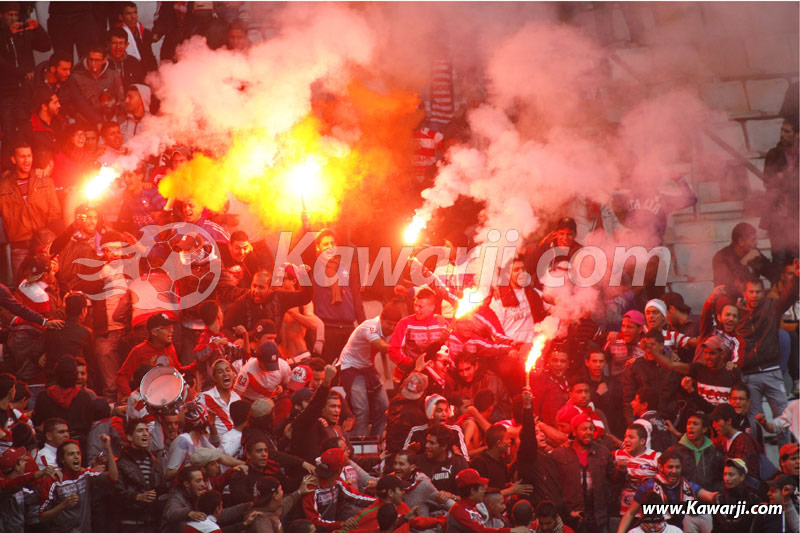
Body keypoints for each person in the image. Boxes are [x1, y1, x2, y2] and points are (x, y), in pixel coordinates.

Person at [738, 272, 798, 424]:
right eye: (751, 291)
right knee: (753, 419)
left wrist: (796, 277)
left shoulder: (771, 308)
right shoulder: (737, 315)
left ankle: (787, 448)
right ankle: (756, 448)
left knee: (783, 418)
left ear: (763, 293)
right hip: (748, 374)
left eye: (758, 292)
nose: (755, 295)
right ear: (745, 293)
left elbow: (788, 298)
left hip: (771, 371)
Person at [337, 300, 402, 437]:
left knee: (385, 407)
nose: (392, 328)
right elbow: (377, 343)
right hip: (351, 368)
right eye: (389, 324)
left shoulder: (391, 330)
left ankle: (375, 441)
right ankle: (361, 446)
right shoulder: (370, 326)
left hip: (367, 368)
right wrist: (395, 350)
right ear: (381, 319)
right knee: (362, 410)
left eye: (395, 325)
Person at [0, 141, 61, 279]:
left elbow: (55, 212)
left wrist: (47, 238)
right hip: (19, 245)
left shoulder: (44, 181)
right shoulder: (3, 186)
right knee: (23, 289)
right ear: (13, 159)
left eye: (29, 156)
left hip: (43, 246)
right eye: (22, 157)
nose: (27, 160)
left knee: (47, 285)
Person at [617, 449, 716, 533]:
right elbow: (630, 513)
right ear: (661, 467)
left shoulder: (687, 486)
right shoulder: (649, 486)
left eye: (677, 467)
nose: (674, 471)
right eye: (670, 467)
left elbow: (709, 496)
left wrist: (721, 497)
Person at [38, 435, 119, 532]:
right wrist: (63, 505)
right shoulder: (52, 481)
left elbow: (113, 478)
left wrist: (108, 448)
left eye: (78, 453)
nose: (76, 457)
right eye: (71, 454)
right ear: (62, 459)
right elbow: (42, 517)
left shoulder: (86, 474)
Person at [549, 413, 615, 532]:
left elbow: (613, 482)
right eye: (584, 429)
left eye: (591, 429)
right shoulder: (559, 454)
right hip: (571, 517)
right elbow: (554, 488)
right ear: (574, 432)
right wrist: (567, 511)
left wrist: (621, 471)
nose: (589, 432)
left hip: (599, 517)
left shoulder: (603, 452)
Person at [310, 229, 366, 364]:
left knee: (348, 372)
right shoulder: (313, 268)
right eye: (325, 244)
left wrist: (365, 329)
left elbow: (357, 300)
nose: (330, 247)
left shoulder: (348, 267)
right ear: (317, 247)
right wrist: (307, 225)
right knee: (328, 372)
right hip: (326, 330)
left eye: (332, 243)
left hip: (348, 329)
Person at [650, 335, 742, 413]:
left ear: (722, 354)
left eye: (712, 353)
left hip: (723, 424)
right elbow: (670, 365)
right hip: (701, 424)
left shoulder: (732, 372)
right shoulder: (699, 369)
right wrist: (651, 350)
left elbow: (741, 400)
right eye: (705, 353)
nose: (708, 357)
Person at [116, 312, 193, 398]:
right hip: (149, 398)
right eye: (167, 328)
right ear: (154, 332)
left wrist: (195, 365)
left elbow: (177, 369)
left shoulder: (170, 347)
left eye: (172, 327)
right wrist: (130, 397)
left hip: (170, 395)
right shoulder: (139, 351)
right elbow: (121, 377)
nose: (172, 331)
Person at [223, 269, 313, 341]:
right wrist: (236, 341)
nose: (256, 291)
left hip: (273, 350)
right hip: (249, 352)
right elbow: (225, 328)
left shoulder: (280, 297)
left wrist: (305, 276)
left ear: (270, 288)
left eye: (261, 287)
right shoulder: (241, 302)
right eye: (254, 286)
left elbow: (305, 297)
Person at [336, 474, 445, 532]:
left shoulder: (401, 506)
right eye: (400, 489)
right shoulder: (369, 514)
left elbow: (416, 522)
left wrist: (440, 521)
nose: (403, 492)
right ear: (391, 493)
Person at [301, 447, 376, 531]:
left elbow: (355, 496)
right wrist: (340, 524)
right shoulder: (311, 487)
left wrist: (378, 501)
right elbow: (314, 521)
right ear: (340, 470)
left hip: (332, 527)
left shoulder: (337, 482)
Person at [760, 118, 799, 271]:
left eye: (787, 131)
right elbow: (767, 181)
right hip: (777, 218)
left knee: (796, 262)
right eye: (781, 130)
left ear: (798, 135)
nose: (782, 134)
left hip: (796, 219)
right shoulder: (774, 154)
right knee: (779, 261)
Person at [115, 417, 167, 533]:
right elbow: (116, 493)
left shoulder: (154, 462)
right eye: (140, 431)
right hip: (131, 524)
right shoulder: (121, 463)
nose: (145, 434)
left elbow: (162, 489)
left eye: (147, 430)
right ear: (129, 437)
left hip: (152, 523)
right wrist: (137, 497)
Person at [388, 288, 450, 384]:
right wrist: (413, 364)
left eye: (420, 307)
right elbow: (393, 351)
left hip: (433, 379)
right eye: (415, 305)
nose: (416, 309)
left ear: (432, 307)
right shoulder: (405, 323)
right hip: (408, 377)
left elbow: (448, 352)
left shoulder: (443, 324)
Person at [32, 357, 95, 448]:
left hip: (51, 446)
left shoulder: (43, 397)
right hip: (78, 448)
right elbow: (88, 425)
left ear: (56, 374)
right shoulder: (85, 398)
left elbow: (37, 423)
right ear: (75, 375)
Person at [444, 468, 529, 533]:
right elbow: (481, 531)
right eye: (482, 488)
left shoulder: (472, 509)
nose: (484, 491)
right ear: (473, 490)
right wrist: (511, 531)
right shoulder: (458, 510)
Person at [65, 41, 125, 124]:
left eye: (97, 60)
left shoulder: (113, 76)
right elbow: (69, 102)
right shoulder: (76, 76)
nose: (93, 64)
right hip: (84, 122)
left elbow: (121, 101)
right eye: (91, 59)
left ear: (104, 60)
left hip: (109, 122)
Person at [668, 412, 724, 492]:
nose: (691, 427)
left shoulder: (714, 453)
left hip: (707, 500)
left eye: (695, 424)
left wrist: (712, 493)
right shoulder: (674, 451)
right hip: (682, 499)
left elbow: (721, 479)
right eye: (689, 424)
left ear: (704, 429)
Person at [613, 423, 660, 519]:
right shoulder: (617, 455)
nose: (626, 440)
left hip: (647, 513)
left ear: (642, 441)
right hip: (623, 511)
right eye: (625, 437)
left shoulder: (656, 457)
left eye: (631, 437)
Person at [392, 449, 456, 519]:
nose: (396, 467)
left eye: (401, 464)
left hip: (418, 529)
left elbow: (451, 505)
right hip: (398, 528)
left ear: (412, 467)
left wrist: (440, 523)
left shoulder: (423, 484)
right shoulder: (390, 481)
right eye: (395, 463)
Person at [404, 395, 469, 459]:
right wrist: (410, 452)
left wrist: (458, 456)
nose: (444, 414)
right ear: (429, 412)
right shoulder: (416, 432)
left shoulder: (455, 431)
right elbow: (402, 458)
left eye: (446, 410)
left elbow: (465, 459)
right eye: (439, 411)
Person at [247, 475, 316, 533]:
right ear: (275, 496)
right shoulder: (261, 521)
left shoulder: (271, 509)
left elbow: (284, 506)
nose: (282, 493)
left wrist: (299, 492)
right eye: (281, 490)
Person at [709, 403, 761, 480]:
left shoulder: (743, 442)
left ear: (729, 421)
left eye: (717, 420)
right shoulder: (725, 440)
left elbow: (738, 473)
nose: (714, 425)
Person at [415, 424, 469, 495]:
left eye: (432, 443)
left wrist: (452, 497)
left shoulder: (458, 462)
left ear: (444, 446)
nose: (427, 445)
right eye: (427, 441)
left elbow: (467, 494)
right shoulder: (418, 461)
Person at [712, 458, 762, 533]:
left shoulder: (753, 496)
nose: (727, 478)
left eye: (731, 475)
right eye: (725, 474)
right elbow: (727, 527)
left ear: (742, 477)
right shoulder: (719, 497)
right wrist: (751, 513)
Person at [116, 2, 158, 73]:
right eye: (129, 13)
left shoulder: (144, 33)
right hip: (127, 73)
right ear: (121, 17)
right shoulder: (116, 35)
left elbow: (150, 56)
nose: (133, 17)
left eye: (135, 13)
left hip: (146, 72)